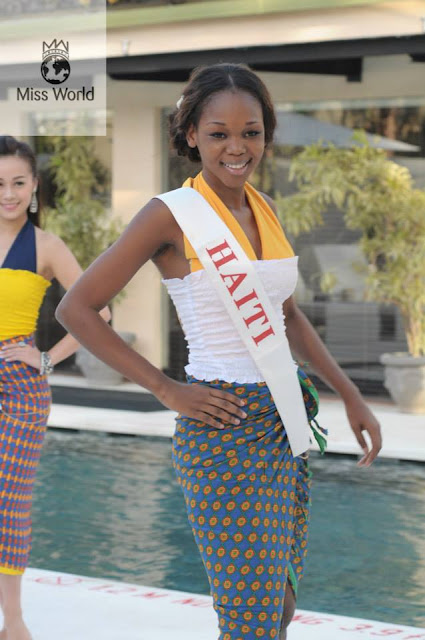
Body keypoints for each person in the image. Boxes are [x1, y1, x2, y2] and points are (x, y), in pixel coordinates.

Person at [56, 64, 382, 640]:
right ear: (191, 135)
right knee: (249, 618)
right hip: (221, 424)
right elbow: (76, 309)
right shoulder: (168, 214)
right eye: (219, 133)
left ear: (266, 134)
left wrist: (350, 393)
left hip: (281, 421)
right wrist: (165, 388)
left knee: (278, 605)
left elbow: (286, 316)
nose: (237, 147)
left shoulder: (265, 208)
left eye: (251, 132)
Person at [0, 135, 110, 640]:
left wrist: (45, 358)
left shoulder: (46, 247)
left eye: (18, 182)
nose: (8, 193)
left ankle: (13, 622)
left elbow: (98, 312)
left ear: (34, 187)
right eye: (0, 184)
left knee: (9, 502)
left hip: (19, 390)